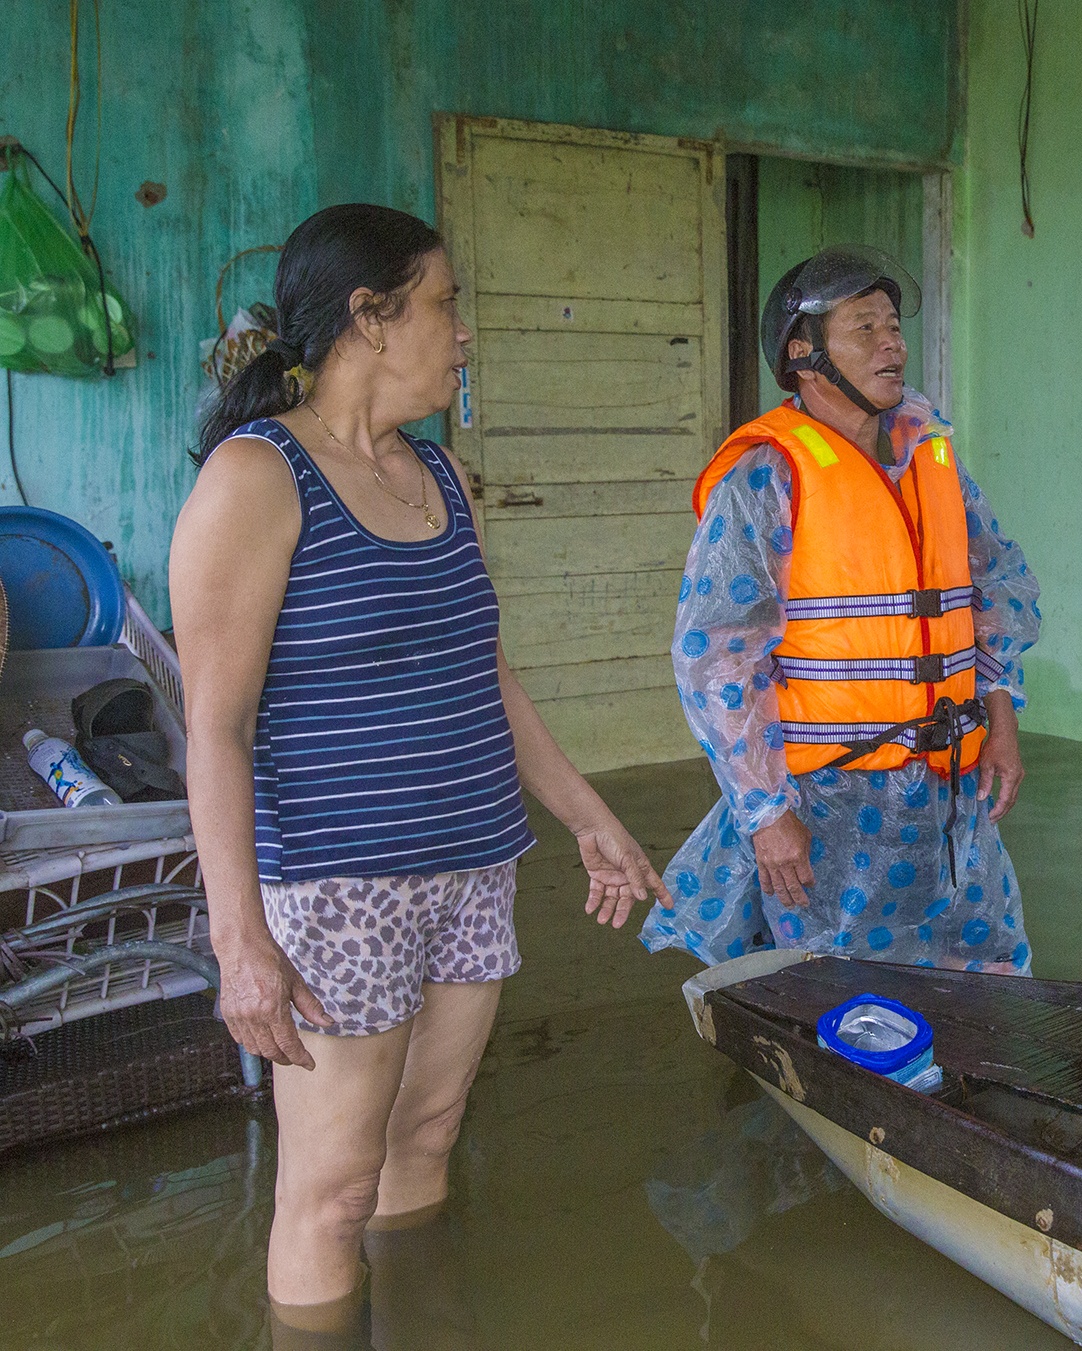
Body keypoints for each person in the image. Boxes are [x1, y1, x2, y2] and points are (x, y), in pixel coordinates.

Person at [170, 204, 669, 1337]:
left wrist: (588, 813)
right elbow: (217, 729)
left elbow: (486, 675)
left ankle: (419, 1322)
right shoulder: (258, 478)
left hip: (472, 868)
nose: (462, 332)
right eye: (444, 303)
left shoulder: (442, 477)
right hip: (338, 891)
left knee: (427, 1137)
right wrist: (240, 938)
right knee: (332, 1187)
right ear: (369, 317)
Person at [639, 246, 1040, 970]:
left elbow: (1000, 581)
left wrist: (1000, 713)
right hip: (830, 800)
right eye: (865, 328)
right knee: (835, 996)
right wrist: (765, 814)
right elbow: (717, 654)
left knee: (984, 974)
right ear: (804, 355)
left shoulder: (931, 454)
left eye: (893, 325)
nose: (892, 342)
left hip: (951, 785)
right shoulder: (767, 476)